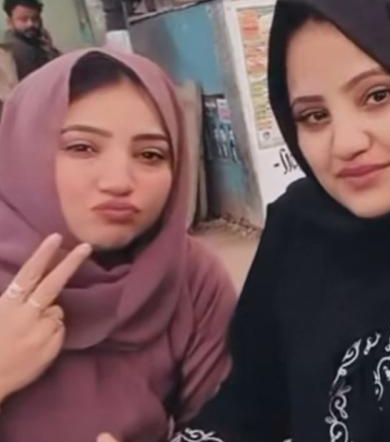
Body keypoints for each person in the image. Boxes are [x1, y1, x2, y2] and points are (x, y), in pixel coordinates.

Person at [168, 0, 390, 441]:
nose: (346, 142)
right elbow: (251, 404)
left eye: (377, 95)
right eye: (314, 116)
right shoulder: (299, 228)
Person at [0, 49, 236, 442]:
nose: (119, 181)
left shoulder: (189, 277)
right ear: (25, 148)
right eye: (82, 147)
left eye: (150, 154)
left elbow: (229, 424)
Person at [3, 0, 59, 80]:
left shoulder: (38, 40)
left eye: (35, 18)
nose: (31, 24)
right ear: (10, 22)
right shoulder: (10, 50)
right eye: (23, 19)